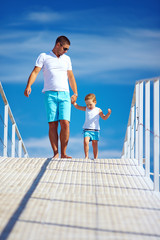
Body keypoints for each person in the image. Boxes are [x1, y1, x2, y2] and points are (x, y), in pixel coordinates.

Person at [24, 36, 78, 159]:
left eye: (67, 49)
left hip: (65, 94)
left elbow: (71, 77)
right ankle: (56, 153)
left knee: (65, 123)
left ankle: (63, 153)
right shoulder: (44, 56)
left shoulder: (67, 59)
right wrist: (29, 85)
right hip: (50, 94)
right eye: (65, 48)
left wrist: (75, 93)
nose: (66, 51)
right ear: (58, 45)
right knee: (53, 124)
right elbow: (35, 72)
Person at [73, 93, 111, 159]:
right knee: (85, 141)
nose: (88, 106)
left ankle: (95, 157)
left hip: (95, 130)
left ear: (95, 102)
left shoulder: (98, 110)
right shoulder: (86, 109)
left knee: (94, 144)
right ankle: (86, 156)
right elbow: (78, 107)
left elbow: (104, 118)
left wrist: (108, 113)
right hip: (87, 130)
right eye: (87, 105)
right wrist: (74, 103)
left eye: (90, 104)